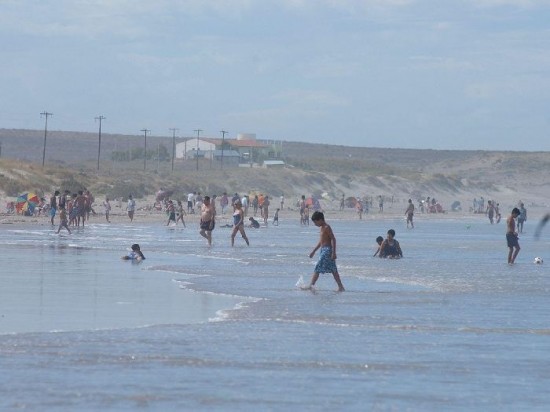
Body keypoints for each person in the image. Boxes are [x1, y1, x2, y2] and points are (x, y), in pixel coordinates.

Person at [301, 211, 345, 292]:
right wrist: (313, 251)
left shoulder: (327, 227)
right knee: (333, 270)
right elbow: (321, 242)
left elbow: (333, 239)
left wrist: (334, 252)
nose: (315, 224)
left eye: (315, 222)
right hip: (323, 250)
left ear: (320, 220)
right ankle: (341, 286)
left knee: (318, 267)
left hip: (327, 251)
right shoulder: (322, 228)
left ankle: (311, 285)